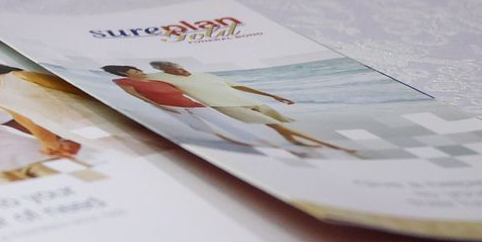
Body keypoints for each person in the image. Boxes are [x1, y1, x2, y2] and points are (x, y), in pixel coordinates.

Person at [0, 54, 144, 157]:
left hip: (96, 118)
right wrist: (46, 140)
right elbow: (18, 115)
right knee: (130, 153)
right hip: (69, 129)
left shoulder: (20, 76)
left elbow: (79, 91)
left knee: (141, 144)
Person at [151, 61, 359, 156]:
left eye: (179, 66)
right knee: (274, 124)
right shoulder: (164, 78)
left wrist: (273, 95)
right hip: (224, 106)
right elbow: (138, 78)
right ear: (167, 71)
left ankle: (294, 144)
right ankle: (334, 147)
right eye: (173, 69)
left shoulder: (206, 76)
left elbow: (238, 85)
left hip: (247, 100)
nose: (179, 70)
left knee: (279, 124)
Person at [99, 65, 268, 147]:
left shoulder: (155, 77)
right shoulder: (122, 81)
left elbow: (184, 87)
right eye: (135, 71)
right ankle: (232, 142)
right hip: (170, 106)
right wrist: (160, 106)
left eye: (138, 69)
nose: (139, 71)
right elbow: (135, 95)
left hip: (190, 103)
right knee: (199, 127)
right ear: (125, 73)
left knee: (223, 121)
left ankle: (255, 140)